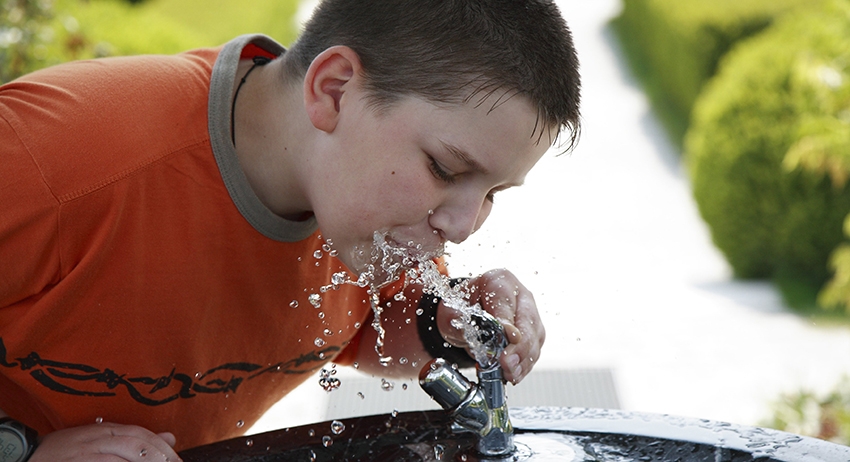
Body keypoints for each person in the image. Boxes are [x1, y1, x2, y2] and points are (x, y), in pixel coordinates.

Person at [0, 0, 581, 459]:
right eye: (445, 170)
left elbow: (364, 329)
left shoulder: (359, 206)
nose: (462, 227)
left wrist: (450, 320)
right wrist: (22, 449)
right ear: (334, 89)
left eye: (493, 193)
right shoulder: (50, 160)